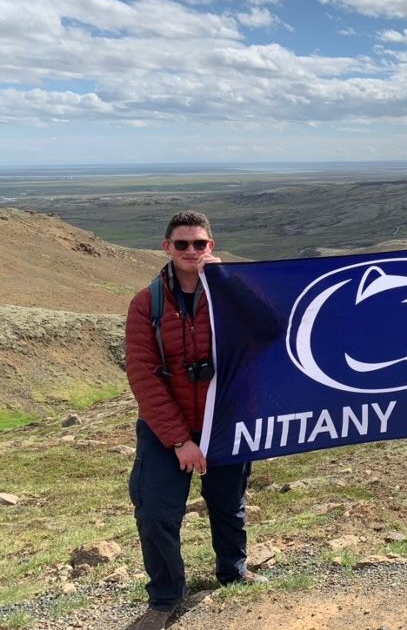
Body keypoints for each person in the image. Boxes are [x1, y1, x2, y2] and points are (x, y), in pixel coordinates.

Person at [124, 211, 266, 630]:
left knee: (228, 505)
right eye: (181, 244)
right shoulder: (145, 303)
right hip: (166, 430)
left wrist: (231, 284)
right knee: (154, 512)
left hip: (223, 422)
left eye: (199, 244)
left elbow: (269, 328)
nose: (191, 251)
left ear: (211, 247)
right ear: (166, 247)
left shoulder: (228, 293)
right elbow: (143, 376)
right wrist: (178, 440)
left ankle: (233, 572)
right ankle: (166, 597)